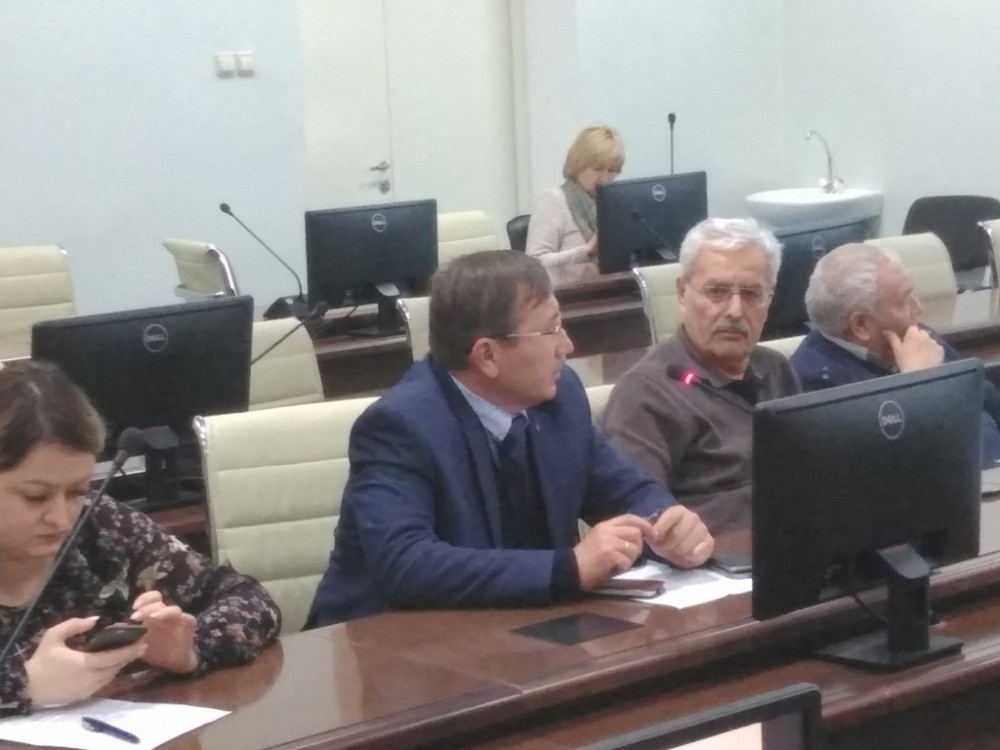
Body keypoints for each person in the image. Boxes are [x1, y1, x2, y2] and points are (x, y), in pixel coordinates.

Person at [307, 250, 713, 627]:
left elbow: (625, 490)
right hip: (385, 645)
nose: (568, 346)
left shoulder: (560, 398)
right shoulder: (400, 426)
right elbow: (407, 564)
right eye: (550, 330)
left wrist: (668, 524)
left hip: (519, 631)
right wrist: (568, 568)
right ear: (487, 355)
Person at [0, 360, 280, 716]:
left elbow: (249, 598)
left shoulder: (100, 525)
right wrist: (22, 685)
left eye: (76, 491)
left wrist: (190, 648)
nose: (61, 518)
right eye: (35, 496)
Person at [602, 219, 801, 535]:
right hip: (717, 556)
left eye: (751, 294)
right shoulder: (645, 393)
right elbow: (640, 518)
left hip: (798, 542)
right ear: (683, 293)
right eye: (717, 292)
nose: (735, 311)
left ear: (770, 300)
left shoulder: (775, 369)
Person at [790, 242, 1000, 464]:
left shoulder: (914, 339)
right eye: (904, 301)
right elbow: (897, 464)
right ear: (861, 325)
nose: (918, 308)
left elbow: (986, 400)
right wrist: (919, 385)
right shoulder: (816, 387)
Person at [525, 125, 624, 286]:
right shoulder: (554, 200)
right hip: (567, 296)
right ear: (579, 165)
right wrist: (586, 251)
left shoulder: (614, 206)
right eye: (598, 169)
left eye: (612, 170)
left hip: (610, 290)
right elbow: (533, 263)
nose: (605, 178)